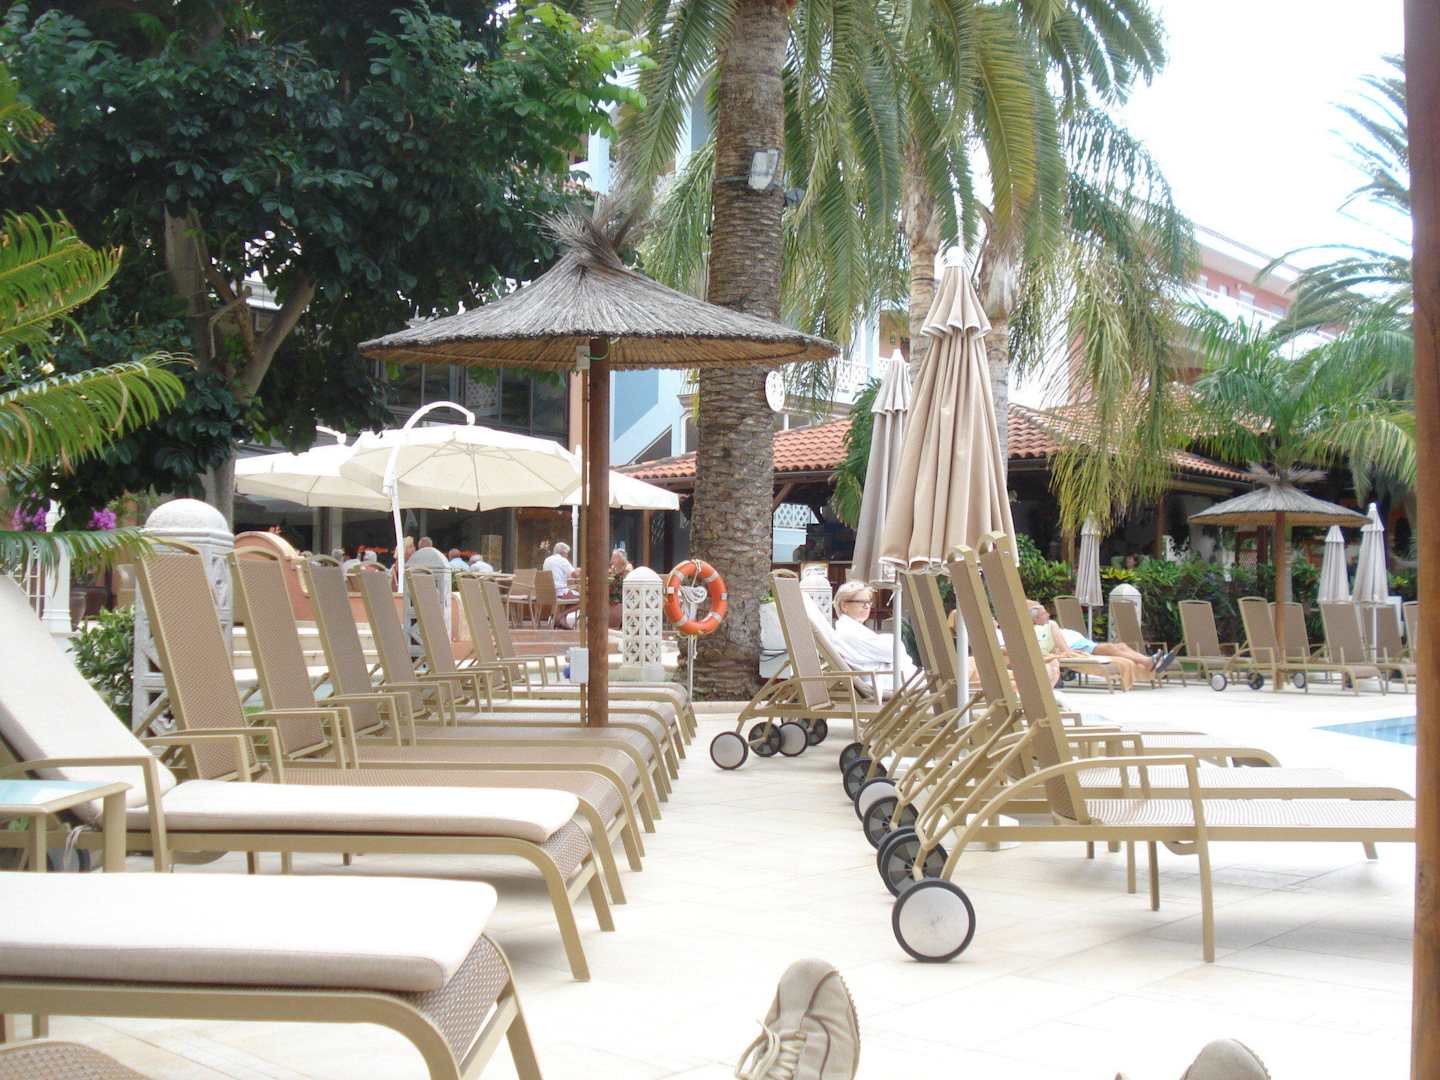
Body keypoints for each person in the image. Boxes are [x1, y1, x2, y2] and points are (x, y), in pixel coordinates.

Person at [831, 580, 918, 695]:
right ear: (844, 605)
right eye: (861, 602)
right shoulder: (849, 632)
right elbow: (893, 651)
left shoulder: (852, 629)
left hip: (895, 679)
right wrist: (891, 640)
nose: (867, 606)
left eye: (869, 602)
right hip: (889, 683)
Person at [1026, 599, 1136, 690]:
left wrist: (1065, 652)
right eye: (1044, 613)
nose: (1048, 615)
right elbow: (1062, 648)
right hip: (1073, 645)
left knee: (1121, 647)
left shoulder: (1051, 625)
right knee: (1114, 647)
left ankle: (1146, 662)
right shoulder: (1036, 628)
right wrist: (1062, 653)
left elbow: (1063, 647)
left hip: (1078, 641)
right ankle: (1147, 662)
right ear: (1036, 618)